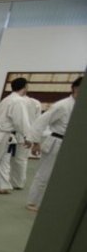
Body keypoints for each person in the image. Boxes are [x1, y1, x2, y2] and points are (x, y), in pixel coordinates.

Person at [25, 77, 81, 211]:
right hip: (56, 141)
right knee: (44, 174)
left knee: (63, 176)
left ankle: (49, 202)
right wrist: (35, 142)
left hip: (72, 144)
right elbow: (41, 122)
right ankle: (32, 202)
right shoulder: (63, 105)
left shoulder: (81, 106)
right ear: (75, 88)